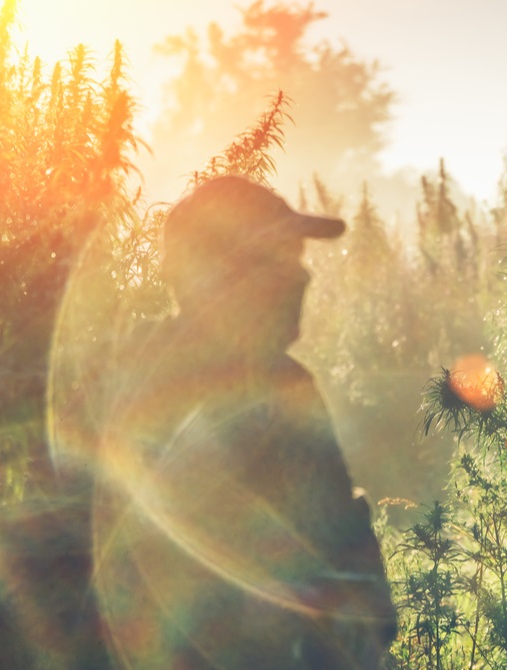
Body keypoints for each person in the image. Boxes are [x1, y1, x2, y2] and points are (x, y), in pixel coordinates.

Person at [92, 175, 397, 669]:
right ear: (214, 272)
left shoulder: (286, 384)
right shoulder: (154, 390)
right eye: (278, 258)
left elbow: (341, 542)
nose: (303, 277)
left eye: (298, 258)